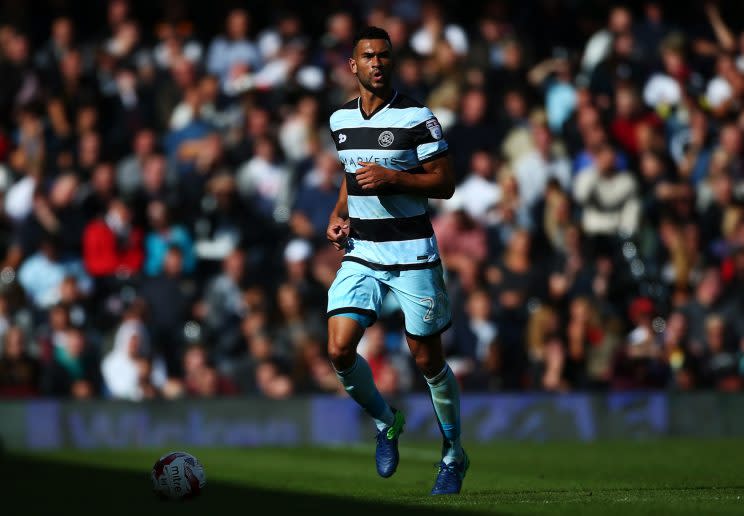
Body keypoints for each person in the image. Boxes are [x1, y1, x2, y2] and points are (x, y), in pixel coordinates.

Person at [325, 27, 467, 495]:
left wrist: (395, 176)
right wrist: (338, 214)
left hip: (412, 255)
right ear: (353, 65)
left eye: (384, 56)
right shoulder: (339, 120)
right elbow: (351, 176)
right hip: (363, 251)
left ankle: (452, 454)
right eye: (368, 56)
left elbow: (445, 182)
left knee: (427, 358)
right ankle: (386, 423)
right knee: (339, 349)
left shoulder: (417, 116)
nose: (377, 63)